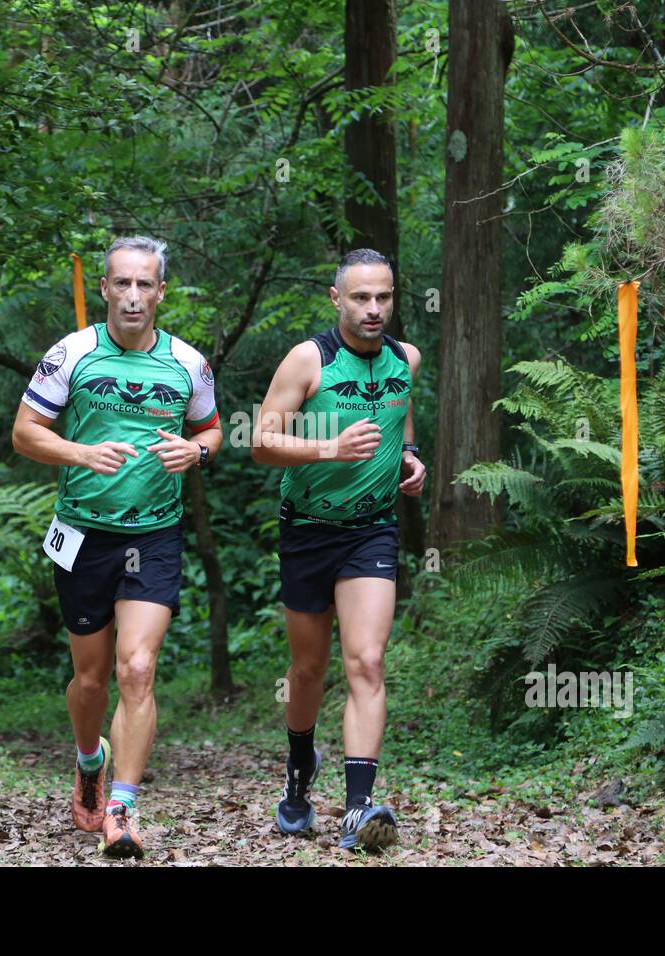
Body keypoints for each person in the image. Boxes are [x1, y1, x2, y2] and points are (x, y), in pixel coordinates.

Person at [12, 236, 222, 858]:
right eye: (121, 284)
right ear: (104, 288)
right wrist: (80, 453)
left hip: (154, 534)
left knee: (137, 668)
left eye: (145, 285)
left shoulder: (188, 363)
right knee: (92, 678)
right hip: (83, 532)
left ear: (161, 292)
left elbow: (212, 428)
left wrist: (198, 450)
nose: (133, 296)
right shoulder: (72, 354)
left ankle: (123, 810)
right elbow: (25, 432)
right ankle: (88, 760)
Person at [251, 248, 426, 851]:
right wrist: (329, 450)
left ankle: (358, 809)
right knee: (308, 669)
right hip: (307, 530)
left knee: (367, 661)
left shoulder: (407, 360)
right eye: (360, 297)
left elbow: (401, 422)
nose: (373, 309)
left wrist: (408, 457)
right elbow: (262, 441)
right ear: (337, 299)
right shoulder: (310, 360)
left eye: (384, 297)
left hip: (372, 531)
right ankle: (300, 769)